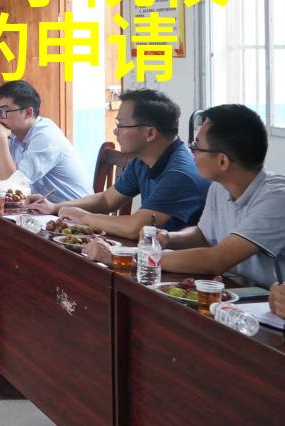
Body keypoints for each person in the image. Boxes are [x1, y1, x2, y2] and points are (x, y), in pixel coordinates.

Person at [85, 104, 285, 288]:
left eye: (197, 146)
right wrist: (169, 238)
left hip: (266, 305)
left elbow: (217, 259)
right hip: (232, 291)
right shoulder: (220, 186)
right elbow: (203, 236)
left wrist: (127, 258)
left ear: (222, 161)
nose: (192, 152)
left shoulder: (276, 199)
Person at [26, 89, 209, 238]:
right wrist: (54, 207)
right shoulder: (142, 160)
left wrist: (84, 217)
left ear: (150, 133)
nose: (115, 131)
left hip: (181, 262)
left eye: (121, 125)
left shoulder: (179, 173)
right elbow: (107, 200)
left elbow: (135, 227)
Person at [0, 80, 91, 203]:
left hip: (73, 210)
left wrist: (0, 139)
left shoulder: (46, 136)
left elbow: (13, 186)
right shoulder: (14, 134)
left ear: (28, 113)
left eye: (4, 110)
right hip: (43, 208)